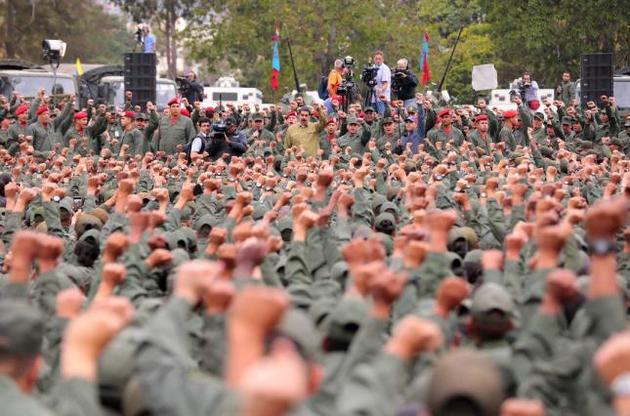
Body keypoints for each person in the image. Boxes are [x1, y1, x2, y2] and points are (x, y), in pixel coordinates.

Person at [372, 51, 391, 115]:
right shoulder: (372, 67)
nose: (378, 61)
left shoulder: (385, 68)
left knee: (381, 115)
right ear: (374, 59)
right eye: (376, 59)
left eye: (379, 59)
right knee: (373, 115)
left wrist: (381, 90)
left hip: (382, 97)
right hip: (373, 97)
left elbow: (385, 84)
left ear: (383, 59)